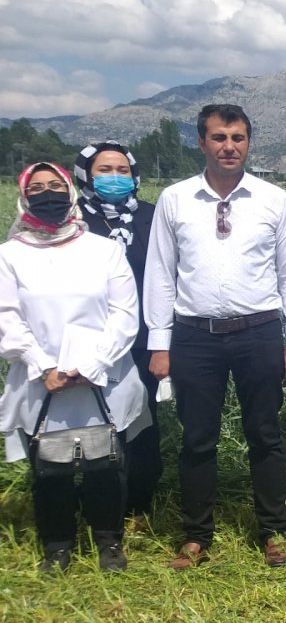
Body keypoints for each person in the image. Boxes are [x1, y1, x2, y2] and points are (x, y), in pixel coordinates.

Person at [144, 104, 286, 569]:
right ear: (201, 142)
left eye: (238, 137)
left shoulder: (273, 199)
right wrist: (160, 343)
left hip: (258, 331)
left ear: (249, 142)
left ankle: (273, 530)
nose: (229, 146)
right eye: (219, 137)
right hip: (194, 336)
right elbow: (160, 273)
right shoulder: (175, 200)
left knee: (265, 434)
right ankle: (196, 536)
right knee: (197, 438)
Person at [0, 161, 149, 572]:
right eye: (38, 187)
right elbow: (6, 318)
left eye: (56, 186)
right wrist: (43, 366)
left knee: (107, 464)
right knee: (50, 469)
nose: (48, 194)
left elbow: (125, 314)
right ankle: (58, 545)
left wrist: (91, 365)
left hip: (102, 376)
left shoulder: (104, 250)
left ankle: (109, 542)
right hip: (41, 380)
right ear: (25, 196)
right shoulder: (10, 256)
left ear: (69, 191)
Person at [72, 141, 163, 521]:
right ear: (85, 175)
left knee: (142, 420)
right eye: (104, 170)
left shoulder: (151, 217)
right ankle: (94, 502)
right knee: (90, 421)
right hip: (89, 340)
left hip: (144, 341)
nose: (114, 177)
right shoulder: (71, 221)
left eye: (122, 170)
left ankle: (139, 501)